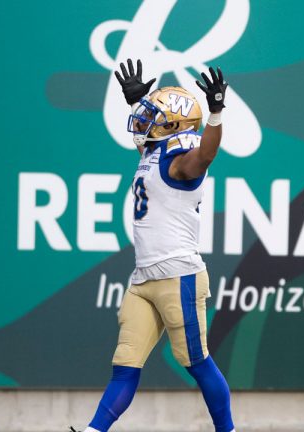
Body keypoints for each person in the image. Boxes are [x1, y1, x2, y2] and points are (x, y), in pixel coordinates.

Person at [72, 58, 235, 432]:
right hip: (144, 278)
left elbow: (205, 155)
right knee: (124, 366)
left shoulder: (184, 161)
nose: (144, 121)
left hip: (179, 276)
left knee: (197, 362)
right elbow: (148, 148)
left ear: (174, 125)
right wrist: (134, 103)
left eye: (153, 117)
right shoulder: (152, 154)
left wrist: (214, 114)